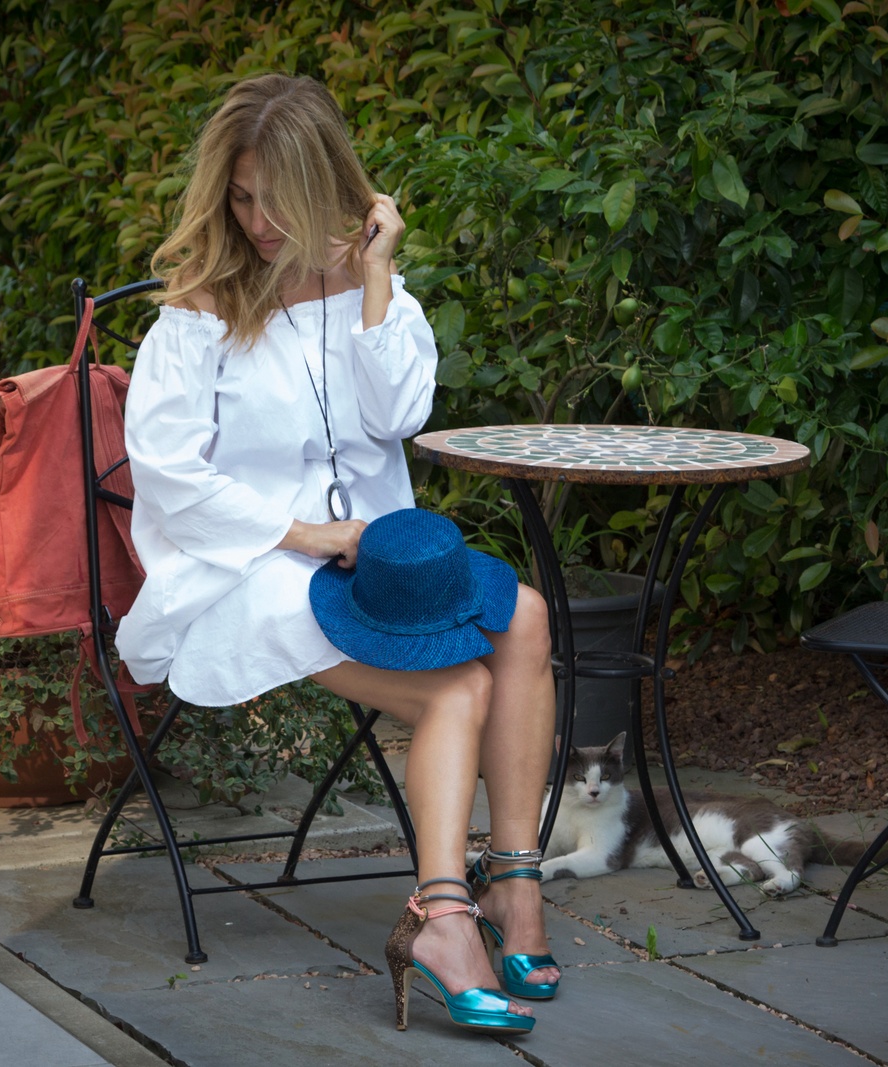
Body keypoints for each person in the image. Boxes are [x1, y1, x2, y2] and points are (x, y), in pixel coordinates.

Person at [114, 72, 559, 1035]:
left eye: (279, 199)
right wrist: (305, 534)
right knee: (455, 688)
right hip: (247, 569)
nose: (259, 222)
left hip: (376, 561)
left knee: (525, 617)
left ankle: (515, 888)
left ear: (330, 187)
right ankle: (445, 921)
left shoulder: (371, 287)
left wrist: (375, 276)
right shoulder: (200, 308)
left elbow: (400, 415)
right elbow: (169, 473)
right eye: (241, 198)